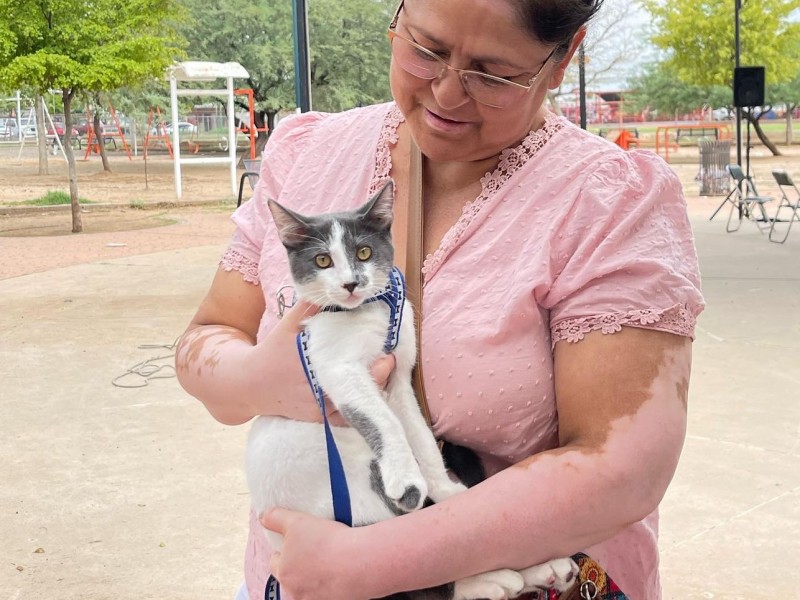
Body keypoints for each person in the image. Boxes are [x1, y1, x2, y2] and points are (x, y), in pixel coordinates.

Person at [175, 0, 705, 599]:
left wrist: (371, 562)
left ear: (562, 60)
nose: (447, 94)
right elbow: (210, 332)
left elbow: (622, 469)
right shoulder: (308, 155)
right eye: (425, 50)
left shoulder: (609, 204)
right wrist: (259, 379)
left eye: (494, 73)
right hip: (293, 576)